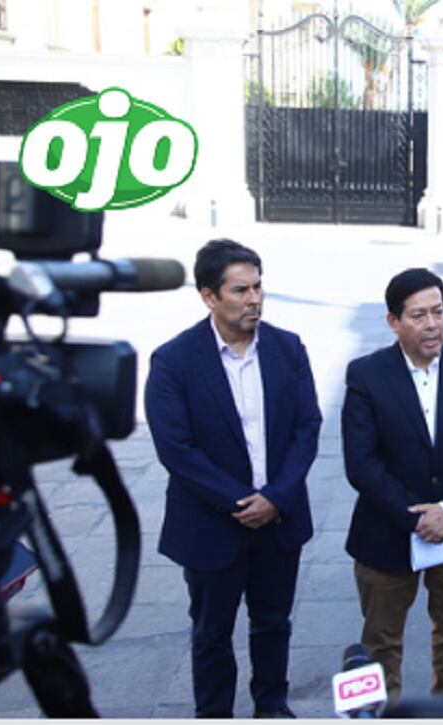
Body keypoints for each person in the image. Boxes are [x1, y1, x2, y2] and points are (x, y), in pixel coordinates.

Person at [146, 239, 321, 718]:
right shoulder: (174, 361)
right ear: (209, 296)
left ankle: (272, 707)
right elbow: (176, 450)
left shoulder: (287, 348)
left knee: (273, 624)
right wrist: (242, 501)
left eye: (258, 287)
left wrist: (276, 497)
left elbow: (308, 427)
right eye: (240, 290)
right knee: (210, 633)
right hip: (211, 525)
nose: (254, 299)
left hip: (279, 519)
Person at [342, 268, 443, 701]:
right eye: (418, 315)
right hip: (387, 533)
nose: (433, 324)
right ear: (393, 321)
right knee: (381, 643)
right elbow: (361, 463)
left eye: (439, 311)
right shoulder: (365, 375)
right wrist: (415, 517)